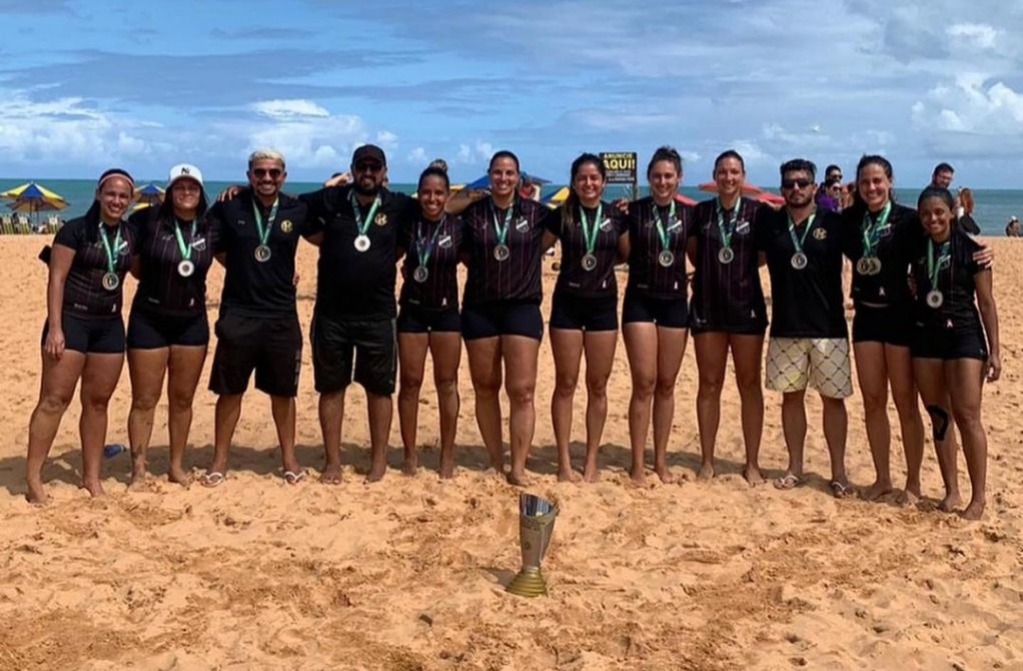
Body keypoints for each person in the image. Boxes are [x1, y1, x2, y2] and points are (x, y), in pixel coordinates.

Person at [301, 145, 418, 483]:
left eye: (374, 167)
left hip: (378, 314)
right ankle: (333, 462)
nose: (368, 173)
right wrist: (238, 190)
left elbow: (436, 207)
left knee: (379, 389)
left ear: (384, 171)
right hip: (331, 314)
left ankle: (379, 460)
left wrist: (475, 196)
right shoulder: (334, 200)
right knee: (331, 388)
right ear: (352, 170)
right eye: (361, 167)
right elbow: (292, 206)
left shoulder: (398, 204)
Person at [25, 169, 137, 503]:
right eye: (111, 194)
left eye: (123, 196)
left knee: (98, 402)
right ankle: (33, 478)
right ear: (99, 195)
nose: (116, 200)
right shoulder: (75, 230)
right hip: (71, 320)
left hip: (109, 325)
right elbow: (56, 279)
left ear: (130, 201)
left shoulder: (131, 235)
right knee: (54, 399)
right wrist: (56, 328)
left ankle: (91, 477)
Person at [203, 149, 311, 487]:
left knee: (283, 393)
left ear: (284, 176)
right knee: (230, 391)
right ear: (249, 175)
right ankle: (220, 460)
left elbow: (332, 211)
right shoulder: (229, 205)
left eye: (274, 173)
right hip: (239, 313)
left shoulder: (296, 208)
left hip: (281, 314)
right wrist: (241, 269)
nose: (267, 179)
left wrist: (338, 180)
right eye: (260, 173)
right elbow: (211, 244)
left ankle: (289, 459)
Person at [757, 159, 854, 498]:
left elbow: (878, 251)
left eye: (802, 183)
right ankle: (795, 467)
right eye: (788, 184)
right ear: (781, 188)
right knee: (791, 399)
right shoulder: (770, 223)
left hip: (829, 327)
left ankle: (839, 472)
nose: (795, 189)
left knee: (833, 401)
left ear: (816, 187)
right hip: (786, 326)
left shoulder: (836, 223)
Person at [460, 150, 555, 486]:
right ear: (489, 175)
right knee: (485, 388)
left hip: (522, 307)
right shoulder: (472, 214)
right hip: (480, 307)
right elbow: (445, 216)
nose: (503, 179)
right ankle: (493, 460)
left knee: (522, 391)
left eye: (509, 173)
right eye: (497, 173)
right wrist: (469, 195)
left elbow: (562, 231)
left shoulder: (538, 214)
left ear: (519, 177)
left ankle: (517, 466)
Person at [910, 187, 1000, 520]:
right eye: (925, 214)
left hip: (964, 337)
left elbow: (987, 303)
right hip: (927, 339)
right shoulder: (917, 250)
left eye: (938, 212)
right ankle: (951, 490)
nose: (932, 219)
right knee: (939, 415)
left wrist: (996, 351)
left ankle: (978, 499)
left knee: (967, 416)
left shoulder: (973, 252)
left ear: (952, 212)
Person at [842, 155, 926, 502]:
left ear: (890, 182)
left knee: (906, 404)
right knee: (873, 401)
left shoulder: (909, 220)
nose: (872, 188)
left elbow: (946, 238)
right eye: (865, 182)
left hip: (900, 318)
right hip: (866, 318)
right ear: (857, 186)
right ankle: (882, 478)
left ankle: (914, 483)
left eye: (878, 181)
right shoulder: (849, 220)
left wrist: (981, 255)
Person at [126, 164, 215, 487]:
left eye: (192, 187)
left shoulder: (211, 225)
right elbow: (133, 265)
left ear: (200, 192)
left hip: (192, 322)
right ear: (170, 190)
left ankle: (176, 466)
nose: (186, 192)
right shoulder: (146, 220)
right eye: (180, 186)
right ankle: (138, 469)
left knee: (182, 400)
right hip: (149, 318)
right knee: (144, 399)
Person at [544, 153, 628, 482]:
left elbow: (626, 254)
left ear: (603, 182)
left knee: (598, 385)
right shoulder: (561, 216)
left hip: (603, 307)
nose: (589, 183)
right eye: (582, 178)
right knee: (565, 383)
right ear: (574, 182)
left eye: (594, 178)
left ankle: (591, 460)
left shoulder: (615, 216)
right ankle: (564, 462)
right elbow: (534, 249)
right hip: (566, 305)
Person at [689, 150, 767, 485]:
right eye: (722, 171)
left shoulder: (759, 212)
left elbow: (762, 255)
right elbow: (693, 251)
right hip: (708, 306)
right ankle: (707, 460)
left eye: (734, 172)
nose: (728, 177)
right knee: (709, 384)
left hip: (746, 306)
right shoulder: (701, 212)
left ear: (743, 175)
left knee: (749, 384)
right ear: (715, 175)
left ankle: (752, 461)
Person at [622, 146, 696, 485]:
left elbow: (698, 255)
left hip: (675, 302)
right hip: (639, 301)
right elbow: (618, 253)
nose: (662, 182)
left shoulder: (690, 215)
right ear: (647, 178)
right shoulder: (632, 212)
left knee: (666, 385)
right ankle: (638, 463)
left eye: (668, 176)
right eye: (656, 176)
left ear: (679, 178)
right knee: (644, 383)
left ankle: (661, 461)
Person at [395, 166, 463, 479]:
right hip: (412, 310)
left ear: (447, 196)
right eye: (426, 192)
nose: (432, 198)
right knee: (410, 382)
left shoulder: (458, 227)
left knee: (447, 383)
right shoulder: (407, 224)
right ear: (418, 193)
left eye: (438, 193)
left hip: (447, 312)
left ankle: (446, 454)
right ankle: (410, 454)